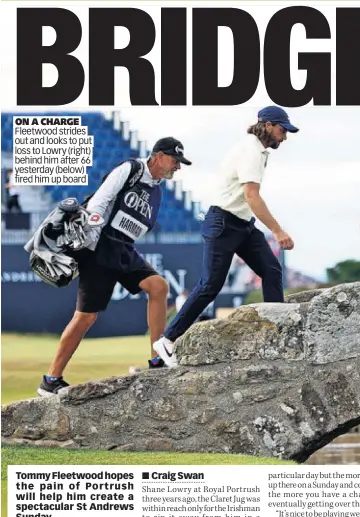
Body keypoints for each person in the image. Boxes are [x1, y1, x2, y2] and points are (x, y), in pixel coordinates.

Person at [38, 137, 192, 396]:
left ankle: (157, 360)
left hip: (124, 248)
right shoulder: (130, 169)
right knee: (85, 317)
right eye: (175, 160)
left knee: (158, 287)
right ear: (159, 156)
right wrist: (90, 234)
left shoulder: (157, 189)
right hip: (100, 246)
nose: (177, 166)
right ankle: (51, 380)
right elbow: (102, 198)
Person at [151, 106, 298, 367]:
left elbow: (248, 200)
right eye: (281, 129)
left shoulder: (260, 151)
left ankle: (278, 333)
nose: (284, 136)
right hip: (223, 223)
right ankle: (167, 340)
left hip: (242, 223)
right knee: (210, 285)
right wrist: (277, 230)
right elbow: (252, 196)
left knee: (271, 269)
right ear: (266, 125)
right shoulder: (251, 151)